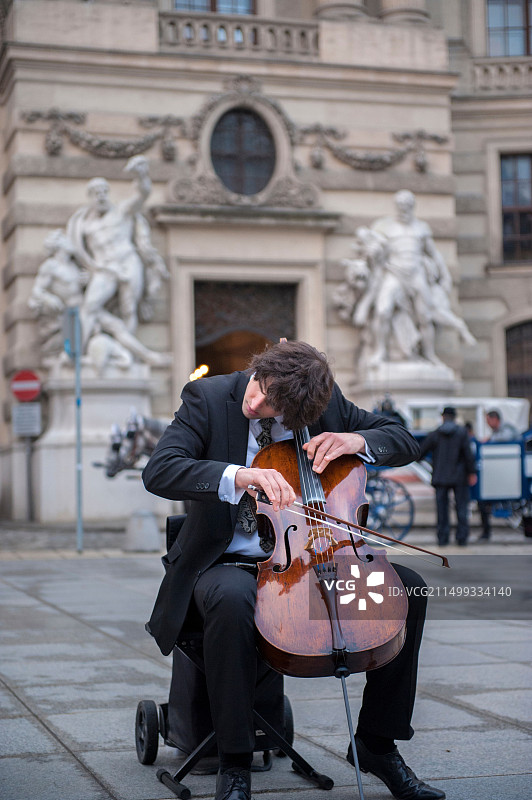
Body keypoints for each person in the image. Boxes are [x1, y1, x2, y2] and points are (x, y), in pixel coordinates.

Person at [142, 340, 445, 800]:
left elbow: (405, 440)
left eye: (274, 406)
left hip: (312, 559)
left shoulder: (326, 404)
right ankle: (235, 762)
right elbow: (160, 471)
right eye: (259, 387)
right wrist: (238, 476)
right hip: (227, 562)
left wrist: (357, 440)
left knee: (410, 589)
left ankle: (377, 745)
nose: (257, 402)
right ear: (257, 370)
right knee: (232, 598)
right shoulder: (207, 397)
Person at [66, 155, 169, 352]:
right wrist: (86, 269)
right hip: (105, 269)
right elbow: (78, 251)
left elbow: (142, 195)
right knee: (89, 306)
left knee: (128, 309)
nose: (102, 195)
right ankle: (77, 353)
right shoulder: (84, 225)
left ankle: (125, 353)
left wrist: (141, 174)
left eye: (105, 191)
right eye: (97, 192)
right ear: (90, 196)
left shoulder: (121, 212)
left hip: (128, 263)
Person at [418, 407, 477, 547]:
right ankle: (462, 538)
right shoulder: (462, 432)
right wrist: (472, 472)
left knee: (442, 510)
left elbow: (421, 452)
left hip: (440, 476)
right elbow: (468, 455)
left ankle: (442, 538)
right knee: (461, 507)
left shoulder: (435, 433)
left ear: (443, 417)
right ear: (454, 417)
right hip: (459, 476)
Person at [477, 409, 520, 541]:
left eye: (488, 421)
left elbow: (505, 438)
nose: (488, 424)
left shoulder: (506, 429)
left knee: (482, 501)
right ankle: (486, 531)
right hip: (504, 474)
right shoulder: (498, 431)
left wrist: (489, 440)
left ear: (495, 419)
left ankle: (486, 532)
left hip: (511, 474)